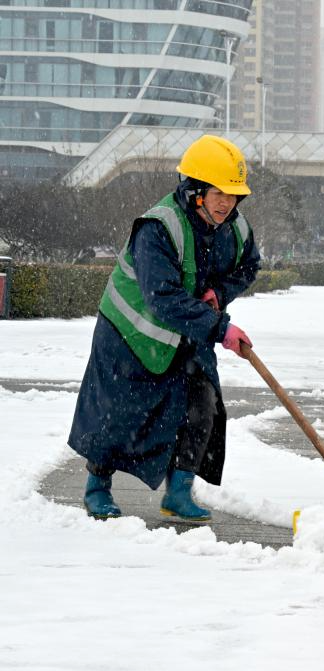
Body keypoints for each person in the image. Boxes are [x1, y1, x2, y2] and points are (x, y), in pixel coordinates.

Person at [69, 134, 261, 522]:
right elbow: (162, 298)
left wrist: (218, 293)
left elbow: (249, 266)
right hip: (130, 331)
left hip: (190, 330)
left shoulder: (235, 228)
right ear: (195, 191)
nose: (228, 202)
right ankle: (97, 487)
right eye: (219, 192)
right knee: (117, 413)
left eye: (234, 194)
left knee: (201, 407)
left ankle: (178, 492)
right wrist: (220, 327)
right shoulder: (157, 228)